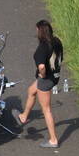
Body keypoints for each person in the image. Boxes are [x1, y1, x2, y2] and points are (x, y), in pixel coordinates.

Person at [16, 20, 64, 148]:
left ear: (40, 31)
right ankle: (24, 116)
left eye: (37, 30)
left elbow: (42, 66)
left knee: (46, 110)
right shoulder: (56, 41)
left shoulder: (42, 48)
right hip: (55, 76)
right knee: (31, 91)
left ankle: (53, 140)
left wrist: (42, 75)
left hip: (46, 80)